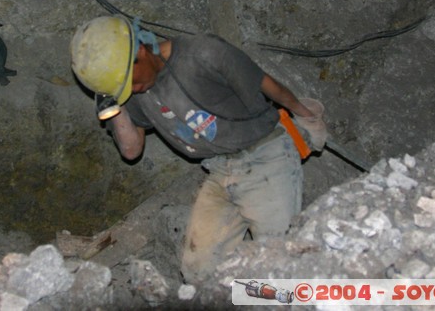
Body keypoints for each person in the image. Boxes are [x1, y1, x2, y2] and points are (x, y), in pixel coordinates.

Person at [70, 15, 328, 282]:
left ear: (140, 51)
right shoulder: (135, 94)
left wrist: (306, 116)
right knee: (198, 271)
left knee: (279, 261)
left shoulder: (203, 53)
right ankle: (246, 296)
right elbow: (131, 151)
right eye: (124, 90)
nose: (133, 90)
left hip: (266, 156)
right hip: (219, 170)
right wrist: (115, 109)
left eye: (131, 83)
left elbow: (265, 84)